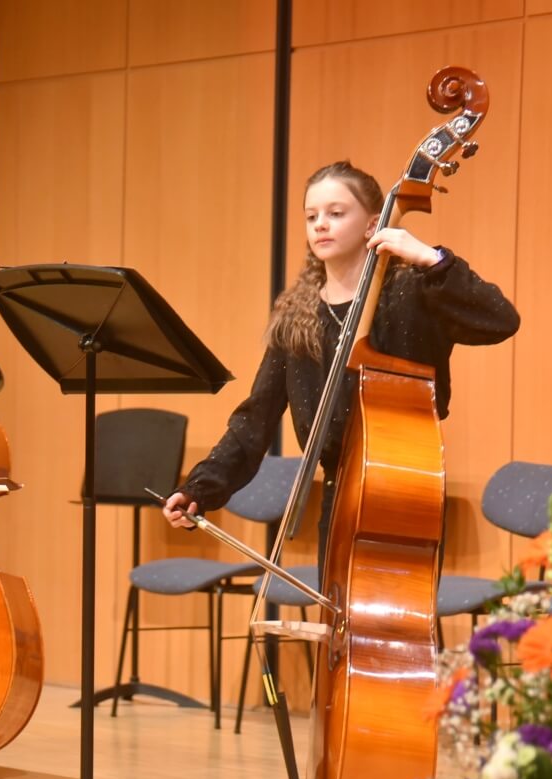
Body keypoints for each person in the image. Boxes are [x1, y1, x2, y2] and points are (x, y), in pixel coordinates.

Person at [162, 161, 520, 568]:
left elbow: (499, 320)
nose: (320, 225)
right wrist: (200, 490)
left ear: (372, 224)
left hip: (402, 490)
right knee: (336, 627)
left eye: (336, 213)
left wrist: (430, 258)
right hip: (337, 497)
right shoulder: (299, 316)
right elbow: (255, 419)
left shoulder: (411, 291)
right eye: (311, 216)